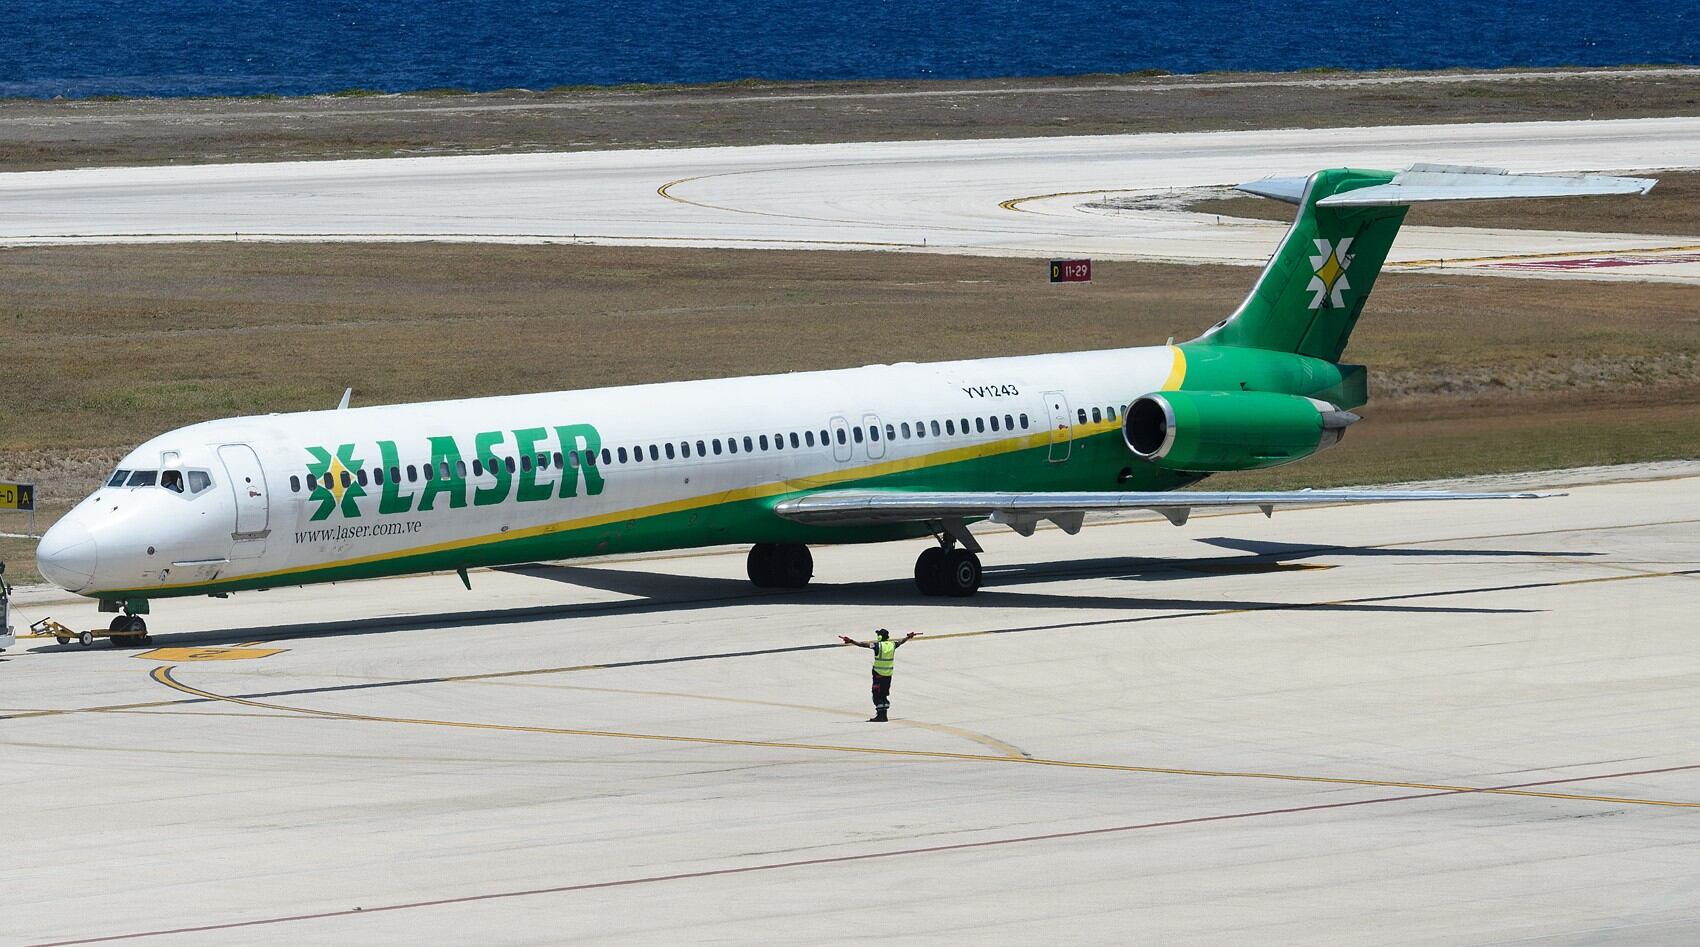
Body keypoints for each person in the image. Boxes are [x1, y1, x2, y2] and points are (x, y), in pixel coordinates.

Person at [838, 628, 919, 722]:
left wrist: (851, 641)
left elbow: (863, 645)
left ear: (880, 636)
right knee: (884, 694)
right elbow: (901, 642)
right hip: (888, 674)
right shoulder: (892, 644)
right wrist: (908, 637)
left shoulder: (878, 645)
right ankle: (883, 715)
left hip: (878, 674)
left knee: (876, 694)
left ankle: (881, 716)